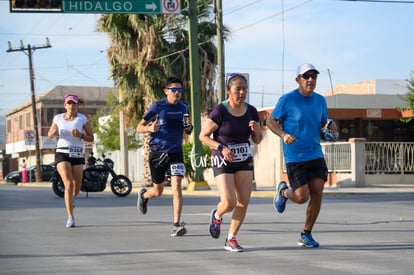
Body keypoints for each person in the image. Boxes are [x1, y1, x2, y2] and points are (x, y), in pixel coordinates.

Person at [266, 63, 337, 248]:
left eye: (314, 76)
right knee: (301, 197)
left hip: (315, 153)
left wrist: (330, 127)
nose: (311, 80)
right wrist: (283, 134)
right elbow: (270, 120)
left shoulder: (320, 100)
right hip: (295, 156)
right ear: (298, 79)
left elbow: (324, 123)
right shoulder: (287, 99)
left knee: (318, 191)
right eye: (306, 76)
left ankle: (306, 234)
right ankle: (283, 191)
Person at [199, 73, 263, 252]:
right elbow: (202, 136)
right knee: (229, 201)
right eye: (238, 89)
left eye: (244, 88)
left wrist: (258, 130)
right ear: (228, 91)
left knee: (243, 202)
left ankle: (231, 238)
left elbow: (257, 140)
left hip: (243, 159)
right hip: (222, 159)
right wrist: (222, 148)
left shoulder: (251, 111)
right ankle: (217, 215)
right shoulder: (220, 111)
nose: (242, 92)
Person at [136, 77, 193, 237]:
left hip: (176, 152)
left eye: (180, 90)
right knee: (158, 191)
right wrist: (150, 128)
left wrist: (188, 126)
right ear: (166, 91)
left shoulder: (184, 107)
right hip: (157, 153)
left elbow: (187, 127)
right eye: (174, 90)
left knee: (176, 186)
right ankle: (144, 195)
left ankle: (176, 224)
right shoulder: (158, 106)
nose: (177, 93)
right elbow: (138, 127)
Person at [47, 93, 94, 228]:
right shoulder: (58, 118)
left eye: (74, 103)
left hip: (77, 153)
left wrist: (81, 135)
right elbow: (50, 133)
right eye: (69, 103)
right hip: (62, 152)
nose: (71, 106)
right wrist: (52, 134)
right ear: (65, 105)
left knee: (76, 187)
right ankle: (70, 217)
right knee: (68, 183)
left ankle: (71, 200)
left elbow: (91, 137)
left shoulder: (82, 119)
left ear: (77, 106)